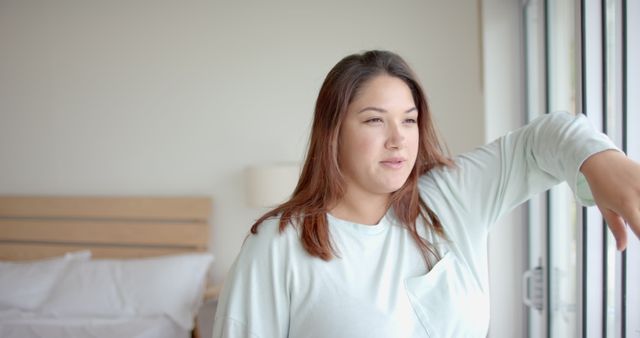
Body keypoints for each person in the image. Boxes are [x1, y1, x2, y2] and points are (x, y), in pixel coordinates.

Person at [212, 50, 640, 338]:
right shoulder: (278, 245)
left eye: (410, 120)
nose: (398, 139)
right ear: (333, 132)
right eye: (375, 121)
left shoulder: (449, 197)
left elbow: (543, 140)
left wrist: (603, 161)